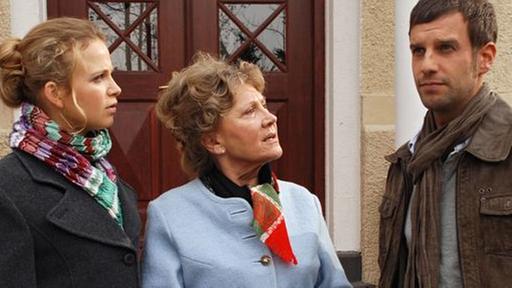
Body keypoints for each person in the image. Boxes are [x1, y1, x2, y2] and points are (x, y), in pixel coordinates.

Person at [141, 52, 351, 288]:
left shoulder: (304, 202)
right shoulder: (170, 215)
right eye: (250, 111)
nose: (270, 117)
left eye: (264, 105)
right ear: (213, 141)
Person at [378, 0, 511, 287]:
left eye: (446, 48)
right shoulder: (408, 162)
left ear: (485, 57)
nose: (427, 65)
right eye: (418, 51)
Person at [0, 17, 141, 287]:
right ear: (55, 93)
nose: (116, 89)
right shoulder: (8, 188)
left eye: (111, 74)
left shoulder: (103, 175)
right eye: (99, 78)